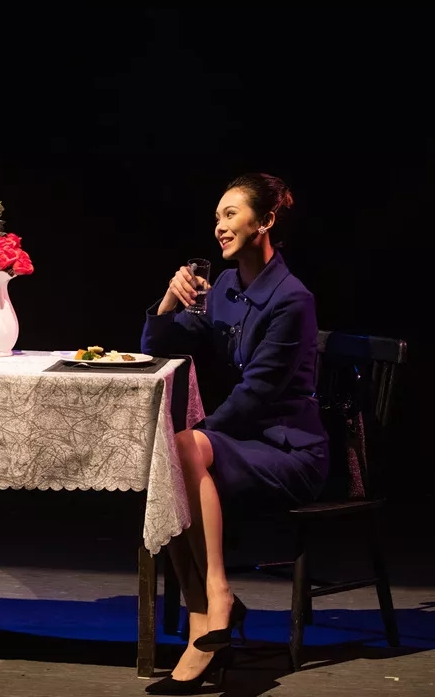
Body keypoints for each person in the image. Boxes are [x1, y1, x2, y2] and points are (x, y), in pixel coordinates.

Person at [140, 173, 329, 694]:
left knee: (180, 450)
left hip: (289, 450)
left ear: (265, 221)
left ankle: (217, 595)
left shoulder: (292, 299)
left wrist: (198, 441)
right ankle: (204, 620)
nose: (219, 226)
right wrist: (169, 300)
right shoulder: (224, 287)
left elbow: (258, 395)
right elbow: (160, 349)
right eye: (217, 216)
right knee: (170, 457)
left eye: (230, 214)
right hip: (242, 443)